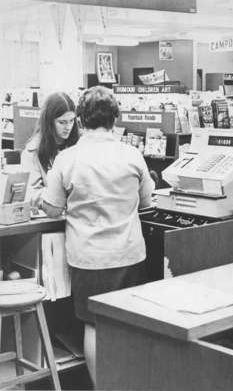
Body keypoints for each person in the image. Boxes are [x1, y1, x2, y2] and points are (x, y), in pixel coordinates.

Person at [41, 86, 154, 386]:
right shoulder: (132, 155)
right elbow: (147, 202)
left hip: (88, 258)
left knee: (93, 324)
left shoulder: (67, 159)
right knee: (127, 324)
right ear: (115, 118)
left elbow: (52, 209)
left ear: (80, 119)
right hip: (128, 254)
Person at [21, 92, 80, 208]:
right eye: (62, 122)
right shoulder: (32, 152)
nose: (68, 127)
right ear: (49, 122)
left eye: (71, 121)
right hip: (52, 217)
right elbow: (32, 194)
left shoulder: (80, 144)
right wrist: (59, 194)